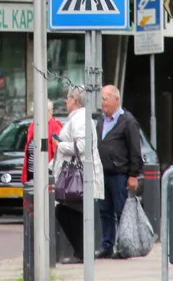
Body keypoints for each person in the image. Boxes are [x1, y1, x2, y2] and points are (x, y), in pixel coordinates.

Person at [53, 86, 103, 264]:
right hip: (79, 175)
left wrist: (59, 144)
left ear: (74, 99)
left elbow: (82, 146)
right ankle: (82, 252)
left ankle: (83, 252)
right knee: (70, 212)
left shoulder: (80, 118)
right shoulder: (79, 118)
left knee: (66, 211)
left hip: (79, 176)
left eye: (67, 98)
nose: (66, 102)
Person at [96, 85, 143, 258]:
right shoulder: (101, 120)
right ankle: (107, 245)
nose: (102, 102)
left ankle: (124, 247)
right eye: (101, 98)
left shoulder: (128, 121)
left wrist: (133, 175)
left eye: (105, 98)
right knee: (104, 211)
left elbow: (135, 150)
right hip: (103, 174)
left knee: (121, 212)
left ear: (116, 99)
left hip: (119, 174)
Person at [21, 107, 64, 186]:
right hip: (31, 172)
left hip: (46, 173)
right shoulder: (33, 126)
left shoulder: (56, 126)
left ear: (50, 112)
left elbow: (58, 151)